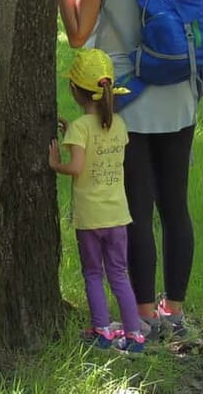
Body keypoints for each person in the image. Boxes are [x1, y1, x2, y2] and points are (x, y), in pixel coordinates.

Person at [56, 0, 196, 340]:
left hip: (126, 101)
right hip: (178, 95)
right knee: (175, 207)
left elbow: (78, 36)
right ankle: (173, 309)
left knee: (133, 207)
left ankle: (145, 315)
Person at [48, 48, 144, 354]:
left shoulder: (80, 127)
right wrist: (72, 135)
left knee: (93, 273)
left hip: (90, 218)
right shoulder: (119, 125)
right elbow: (101, 145)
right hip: (118, 215)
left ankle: (102, 331)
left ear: (75, 91)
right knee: (119, 274)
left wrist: (55, 163)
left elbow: (76, 167)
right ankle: (134, 335)